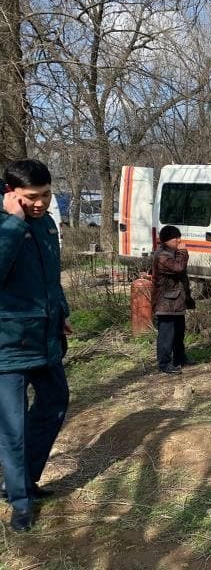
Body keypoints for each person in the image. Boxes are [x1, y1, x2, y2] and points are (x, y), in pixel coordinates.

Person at [0, 159, 71, 532]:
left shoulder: (45, 224)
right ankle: (20, 502)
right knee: (12, 428)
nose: (41, 203)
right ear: (11, 194)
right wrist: (13, 223)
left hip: (45, 337)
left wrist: (62, 311)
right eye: (32, 197)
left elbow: (51, 276)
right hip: (7, 345)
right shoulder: (5, 224)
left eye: (45, 194)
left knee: (55, 402)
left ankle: (22, 480)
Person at [152, 225, 196, 374]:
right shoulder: (162, 256)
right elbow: (178, 268)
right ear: (167, 240)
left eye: (179, 237)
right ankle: (164, 364)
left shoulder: (172, 252)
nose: (179, 240)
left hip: (176, 302)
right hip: (165, 303)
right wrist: (183, 252)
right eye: (176, 238)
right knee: (166, 336)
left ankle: (180, 358)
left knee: (179, 333)